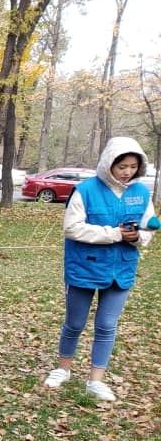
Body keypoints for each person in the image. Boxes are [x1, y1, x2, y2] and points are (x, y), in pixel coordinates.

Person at [43, 136, 156, 402]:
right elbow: (72, 228)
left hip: (122, 269)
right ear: (109, 164)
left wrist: (138, 236)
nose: (127, 172)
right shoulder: (86, 190)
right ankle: (63, 369)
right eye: (122, 166)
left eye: (132, 166)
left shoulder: (141, 193)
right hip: (85, 267)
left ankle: (95, 381)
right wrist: (115, 234)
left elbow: (148, 226)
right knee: (74, 323)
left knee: (106, 325)